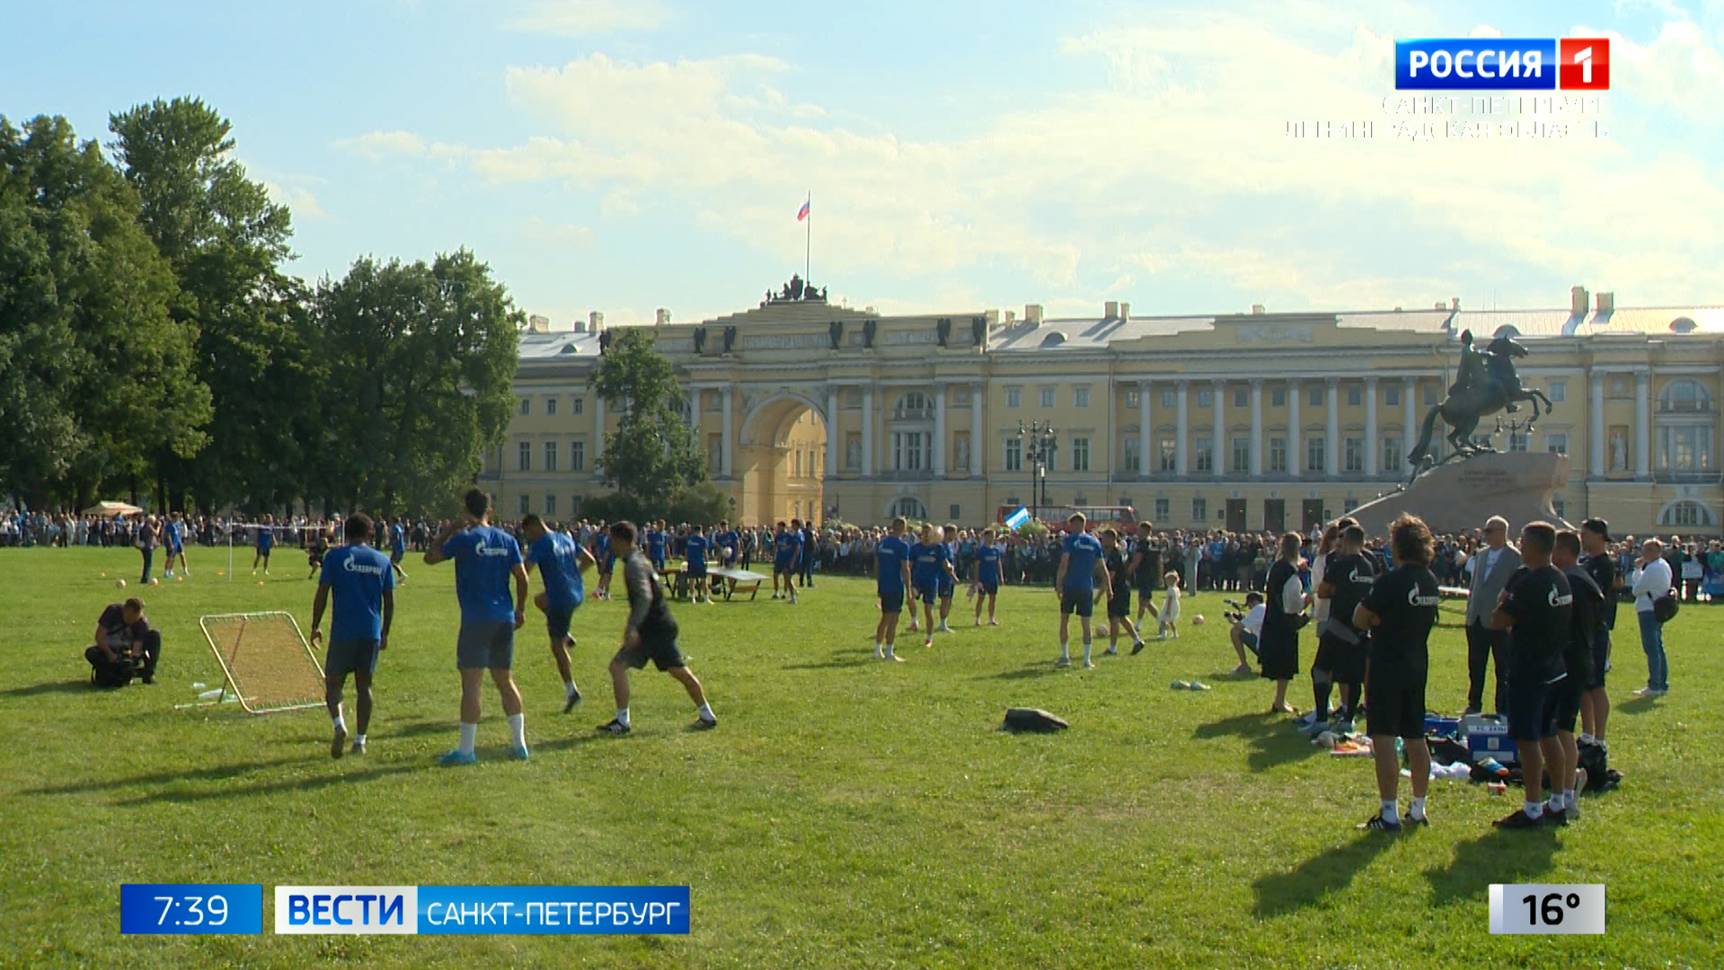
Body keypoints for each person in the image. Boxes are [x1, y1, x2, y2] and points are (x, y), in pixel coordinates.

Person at [424, 489, 531, 765]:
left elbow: (430, 557)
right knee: (505, 680)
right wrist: (520, 609)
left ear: (465, 510)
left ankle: (466, 750)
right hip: (503, 617)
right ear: (490, 511)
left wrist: (449, 529)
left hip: (475, 619)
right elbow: (522, 578)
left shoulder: (464, 539)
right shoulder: (507, 540)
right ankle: (520, 745)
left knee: (472, 684)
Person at [1352, 513, 1441, 832]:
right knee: (1416, 737)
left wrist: (1377, 620)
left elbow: (1360, 617)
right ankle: (1418, 807)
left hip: (1387, 662)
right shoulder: (1430, 580)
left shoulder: (1392, 580)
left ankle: (1388, 812)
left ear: (1399, 546)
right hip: (1417, 661)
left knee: (1385, 738)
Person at [1489, 522, 1573, 828]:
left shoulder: (1529, 582)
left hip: (1529, 669)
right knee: (1551, 735)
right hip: (1555, 668)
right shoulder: (1560, 579)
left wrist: (1505, 602)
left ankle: (1533, 808)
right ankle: (1559, 801)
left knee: (1528, 739)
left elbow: (1497, 619)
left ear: (1534, 545)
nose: (1519, 546)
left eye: (1522, 541)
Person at [597, 521, 716, 734]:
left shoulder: (634, 564)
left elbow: (645, 596)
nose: (610, 545)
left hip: (654, 629)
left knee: (623, 667)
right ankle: (706, 714)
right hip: (656, 626)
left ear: (620, 540)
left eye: (611, 540)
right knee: (676, 671)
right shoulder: (641, 559)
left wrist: (633, 627)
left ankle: (623, 722)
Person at [308, 514, 396, 758]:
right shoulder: (382, 560)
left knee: (333, 683)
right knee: (364, 686)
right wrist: (385, 631)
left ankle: (339, 725)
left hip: (343, 632)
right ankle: (361, 740)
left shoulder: (335, 557)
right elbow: (389, 600)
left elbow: (322, 593)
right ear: (370, 533)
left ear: (346, 533)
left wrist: (315, 625)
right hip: (370, 632)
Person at [522, 513, 597, 713]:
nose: (528, 537)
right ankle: (567, 634)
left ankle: (571, 691)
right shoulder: (564, 537)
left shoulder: (541, 543)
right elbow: (589, 560)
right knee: (539, 600)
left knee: (556, 646)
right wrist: (573, 576)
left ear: (534, 527)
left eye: (528, 533)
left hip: (560, 598)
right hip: (575, 593)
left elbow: (525, 570)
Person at [1552, 528, 1603, 820]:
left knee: (1561, 729)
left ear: (1562, 552)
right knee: (1561, 728)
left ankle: (1567, 793)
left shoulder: (1570, 581)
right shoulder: (1582, 578)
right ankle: (1567, 785)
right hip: (1578, 658)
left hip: (1569, 661)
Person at [1313, 524, 1377, 733]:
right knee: (1353, 676)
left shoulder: (1340, 564)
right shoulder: (1368, 565)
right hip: (1360, 629)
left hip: (1337, 625)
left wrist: (1337, 590)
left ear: (1347, 541)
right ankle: (1348, 719)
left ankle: (1321, 718)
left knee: (1321, 670)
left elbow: (1322, 592)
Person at [1464, 515, 1521, 715]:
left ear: (1502, 533)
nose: (1485, 535)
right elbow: (1474, 585)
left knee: (1502, 667)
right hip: (1476, 619)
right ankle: (1474, 703)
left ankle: (1502, 707)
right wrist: (1470, 611)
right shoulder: (1481, 555)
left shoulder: (1515, 557)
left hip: (1500, 621)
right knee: (1475, 665)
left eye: (1490, 531)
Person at [1259, 532, 1307, 714]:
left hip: (1272, 618)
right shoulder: (1289, 572)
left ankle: (1279, 700)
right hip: (1285, 621)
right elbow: (1294, 602)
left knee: (1279, 663)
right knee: (1285, 665)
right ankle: (1279, 700)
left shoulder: (1276, 567)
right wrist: (1308, 600)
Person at [1579, 518, 1617, 743]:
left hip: (1596, 630)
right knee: (1583, 684)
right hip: (1581, 630)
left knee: (1596, 684)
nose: (1582, 538)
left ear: (1598, 535)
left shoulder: (1604, 564)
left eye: (1585, 534)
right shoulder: (1584, 562)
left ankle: (1600, 737)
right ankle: (1586, 733)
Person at [1054, 513, 1108, 669]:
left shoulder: (1070, 540)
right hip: (1086, 587)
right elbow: (1102, 567)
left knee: (1065, 619)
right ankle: (1087, 660)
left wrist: (1058, 583)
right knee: (1086, 623)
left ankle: (1065, 656)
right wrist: (1108, 586)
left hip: (1071, 585)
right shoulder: (1094, 542)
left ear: (1073, 524)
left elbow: (1064, 563)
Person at [1630, 537, 1673, 698]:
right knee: (1658, 647)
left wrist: (1637, 570)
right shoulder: (1664, 566)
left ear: (1654, 551)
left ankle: (1654, 684)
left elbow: (1636, 589)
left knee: (1652, 648)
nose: (1643, 553)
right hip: (1657, 608)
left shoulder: (1653, 568)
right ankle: (1661, 683)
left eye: (1646, 550)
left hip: (1648, 609)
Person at [86, 597, 160, 687]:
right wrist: (110, 654)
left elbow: (138, 645)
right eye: (130, 617)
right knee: (91, 653)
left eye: (135, 618)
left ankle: (147, 674)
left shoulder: (141, 622)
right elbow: (99, 637)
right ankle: (113, 674)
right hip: (109, 649)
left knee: (154, 635)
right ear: (125, 610)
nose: (132, 621)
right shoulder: (112, 612)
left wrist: (133, 658)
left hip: (126, 650)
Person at [910, 523, 958, 649]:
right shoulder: (915, 548)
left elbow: (944, 563)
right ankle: (914, 620)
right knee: (910, 597)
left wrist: (950, 570)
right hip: (917, 582)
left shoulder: (938, 548)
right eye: (924, 533)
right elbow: (909, 565)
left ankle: (929, 638)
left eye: (928, 533)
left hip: (931, 583)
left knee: (928, 611)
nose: (926, 535)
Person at [1100, 529, 1145, 656]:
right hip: (1123, 587)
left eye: (1104, 538)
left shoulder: (1115, 554)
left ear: (1111, 538)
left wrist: (1100, 594)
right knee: (1121, 617)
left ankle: (1113, 648)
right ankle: (1137, 641)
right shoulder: (1121, 551)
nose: (1102, 541)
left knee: (1115, 618)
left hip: (1118, 589)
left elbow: (1111, 576)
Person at [874, 517, 913, 661]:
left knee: (884, 617)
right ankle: (889, 652)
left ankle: (878, 649)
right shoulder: (902, 546)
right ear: (903, 529)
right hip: (895, 585)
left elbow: (876, 565)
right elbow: (905, 568)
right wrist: (909, 589)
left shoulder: (882, 543)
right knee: (893, 619)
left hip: (884, 584)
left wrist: (879, 583)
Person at [1127, 521, 1161, 631]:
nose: (1137, 531)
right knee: (1144, 600)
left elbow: (1137, 560)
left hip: (1144, 574)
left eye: (1139, 530)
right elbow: (1159, 561)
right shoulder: (1154, 543)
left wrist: (1127, 572)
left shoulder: (1142, 543)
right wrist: (1160, 576)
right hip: (1151, 574)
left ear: (1145, 531)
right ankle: (1139, 624)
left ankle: (1161, 622)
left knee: (1145, 601)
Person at [1227, 592, 1265, 674]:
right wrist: (1243, 619)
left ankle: (1244, 665)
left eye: (1249, 605)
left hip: (1266, 649)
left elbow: (1239, 627)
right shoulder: (1266, 608)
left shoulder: (1258, 609)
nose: (1249, 608)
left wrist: (1231, 619)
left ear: (1253, 602)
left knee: (1235, 631)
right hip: (1277, 650)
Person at [972, 527, 1002, 627]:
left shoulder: (995, 550)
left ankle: (991, 618)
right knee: (981, 599)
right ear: (985, 537)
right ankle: (977, 619)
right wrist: (976, 580)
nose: (992, 538)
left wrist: (1001, 576)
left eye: (993, 536)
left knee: (993, 599)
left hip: (993, 578)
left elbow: (998, 564)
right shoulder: (981, 551)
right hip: (983, 579)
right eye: (990, 536)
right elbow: (976, 566)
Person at [937, 523, 960, 633]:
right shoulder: (941, 546)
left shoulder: (950, 546)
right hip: (943, 577)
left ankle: (944, 622)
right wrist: (953, 576)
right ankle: (942, 624)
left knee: (949, 600)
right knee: (945, 600)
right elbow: (944, 564)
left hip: (948, 578)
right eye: (954, 533)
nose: (955, 536)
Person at [772, 520, 802, 603]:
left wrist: (793, 560)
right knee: (775, 575)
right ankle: (776, 592)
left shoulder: (789, 536)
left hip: (787, 560)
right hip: (779, 559)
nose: (777, 528)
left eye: (779, 527)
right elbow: (776, 546)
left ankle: (789, 595)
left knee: (787, 578)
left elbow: (797, 547)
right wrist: (774, 556)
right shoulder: (778, 536)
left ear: (783, 527)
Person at [684, 523, 712, 604]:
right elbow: (705, 551)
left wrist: (686, 560)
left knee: (691, 581)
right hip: (700, 562)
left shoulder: (690, 539)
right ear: (700, 531)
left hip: (691, 562)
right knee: (703, 580)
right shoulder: (703, 540)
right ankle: (706, 598)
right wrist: (707, 561)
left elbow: (686, 551)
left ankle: (693, 598)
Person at [1156, 571, 1181, 640]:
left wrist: (1168, 610)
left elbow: (1169, 600)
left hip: (1170, 607)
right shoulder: (1177, 589)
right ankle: (1175, 634)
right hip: (1176, 606)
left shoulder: (1170, 589)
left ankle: (1164, 634)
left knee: (1163, 620)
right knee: (1171, 621)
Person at [135, 514, 159, 585]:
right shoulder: (149, 526)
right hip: (148, 547)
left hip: (144, 547)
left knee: (146, 563)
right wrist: (159, 527)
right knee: (148, 564)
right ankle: (146, 578)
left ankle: (144, 578)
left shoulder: (144, 526)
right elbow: (156, 533)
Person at [165, 511, 190, 579]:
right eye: (176, 517)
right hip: (172, 542)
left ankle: (185, 570)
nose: (178, 519)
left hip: (178, 541)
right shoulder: (169, 525)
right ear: (173, 518)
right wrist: (170, 544)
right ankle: (167, 571)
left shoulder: (177, 523)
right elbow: (168, 535)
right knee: (170, 557)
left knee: (182, 555)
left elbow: (179, 531)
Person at [388, 517, 409, 584]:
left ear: (393, 521)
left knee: (394, 562)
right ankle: (401, 577)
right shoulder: (398, 527)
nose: (390, 522)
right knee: (391, 562)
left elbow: (396, 537)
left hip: (398, 548)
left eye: (391, 520)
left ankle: (402, 575)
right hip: (398, 547)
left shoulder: (395, 528)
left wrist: (390, 542)